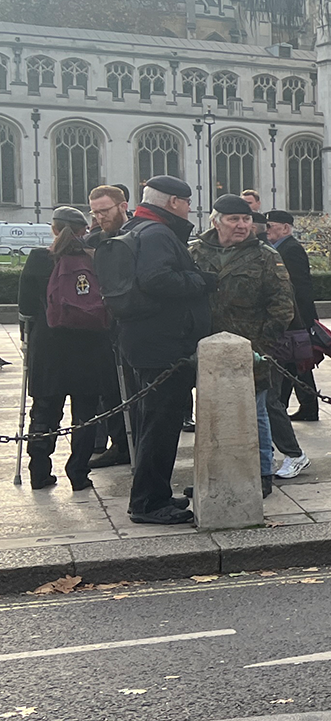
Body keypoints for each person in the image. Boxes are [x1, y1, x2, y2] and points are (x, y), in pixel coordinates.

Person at [115, 176, 213, 525]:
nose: (189, 208)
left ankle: (154, 492)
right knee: (160, 424)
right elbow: (157, 279)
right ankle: (147, 503)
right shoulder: (157, 233)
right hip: (163, 345)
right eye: (186, 202)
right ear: (173, 202)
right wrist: (202, 281)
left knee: (155, 422)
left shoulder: (140, 227)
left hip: (146, 341)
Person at [192, 195, 296, 498]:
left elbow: (282, 305)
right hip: (207, 349)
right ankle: (212, 472)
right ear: (216, 221)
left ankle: (261, 472)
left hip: (252, 348)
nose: (241, 225)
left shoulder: (265, 255)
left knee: (257, 412)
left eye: (246, 219)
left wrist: (263, 346)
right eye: (233, 219)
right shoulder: (195, 252)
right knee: (210, 412)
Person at [18, 207, 114, 491]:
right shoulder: (95, 258)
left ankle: (39, 472)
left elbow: (25, 309)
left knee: (45, 410)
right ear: (84, 230)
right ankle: (79, 473)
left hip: (49, 344)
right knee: (85, 411)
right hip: (90, 343)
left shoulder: (39, 258)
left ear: (55, 228)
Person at [262, 211, 319, 479]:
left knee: (276, 392)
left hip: (287, 328)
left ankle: (293, 452)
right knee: (278, 390)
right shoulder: (272, 249)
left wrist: (303, 324)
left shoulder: (290, 250)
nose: (266, 230)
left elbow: (297, 290)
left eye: (269, 226)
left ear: (285, 227)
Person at [84, 185, 133, 469]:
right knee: (111, 390)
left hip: (134, 324)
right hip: (105, 326)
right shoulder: (94, 241)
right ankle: (119, 443)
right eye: (96, 212)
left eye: (105, 210)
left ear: (122, 206)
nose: (100, 217)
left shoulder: (137, 236)